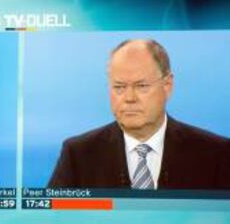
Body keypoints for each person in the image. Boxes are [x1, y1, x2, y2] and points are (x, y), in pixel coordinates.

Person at [48, 39, 230, 190]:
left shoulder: (216, 154)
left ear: (167, 86)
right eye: (119, 87)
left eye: (141, 86)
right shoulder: (78, 154)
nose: (129, 98)